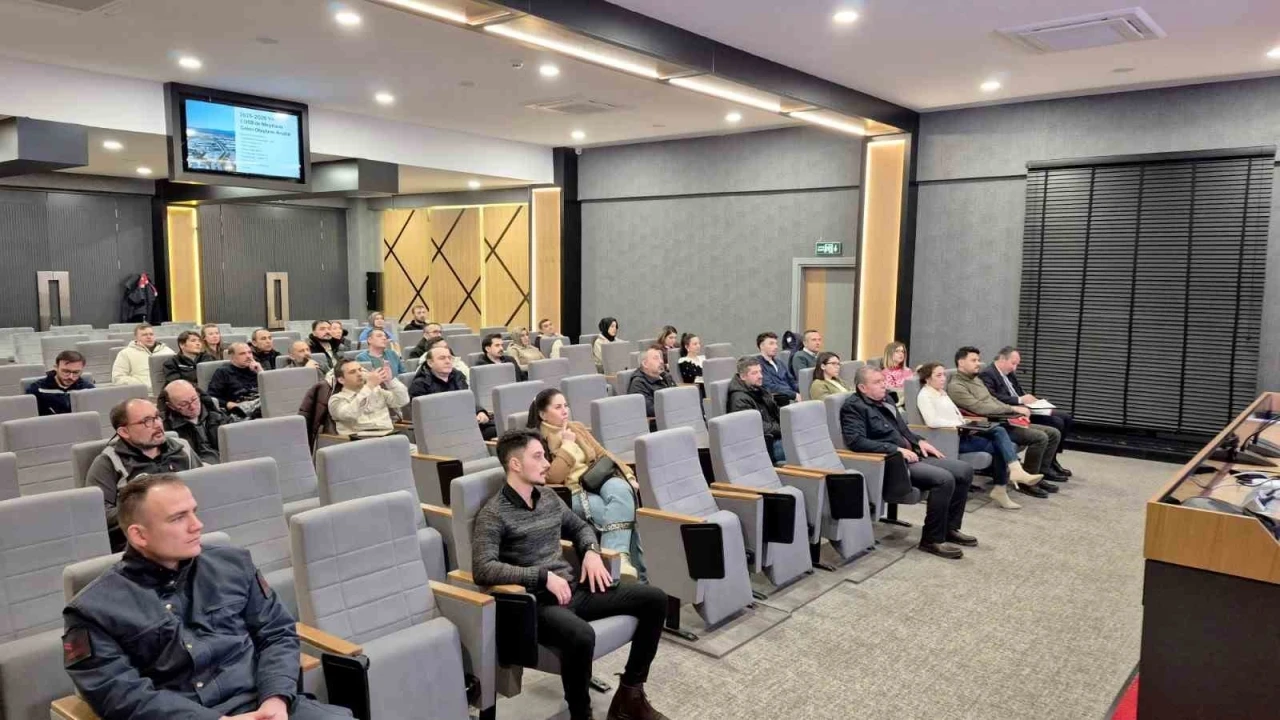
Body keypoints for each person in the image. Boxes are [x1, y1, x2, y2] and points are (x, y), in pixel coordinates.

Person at [62, 474, 352, 720]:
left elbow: (277, 633)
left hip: (264, 703)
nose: (197, 525)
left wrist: (276, 698)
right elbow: (118, 694)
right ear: (139, 536)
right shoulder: (93, 610)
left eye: (194, 512)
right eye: (178, 518)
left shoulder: (233, 565)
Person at [472, 430, 669, 720]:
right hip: (537, 603)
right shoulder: (494, 513)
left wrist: (590, 551)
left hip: (573, 590)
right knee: (581, 636)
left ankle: (630, 694)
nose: (547, 464)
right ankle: (581, 715)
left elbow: (579, 527)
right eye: (538, 457)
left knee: (655, 599)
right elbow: (483, 568)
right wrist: (541, 577)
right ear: (515, 464)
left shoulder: (549, 497)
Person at [841, 366, 976, 559]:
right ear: (862, 387)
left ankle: (950, 528)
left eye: (883, 380)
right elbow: (856, 441)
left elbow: (903, 430)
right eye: (877, 382)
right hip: (892, 462)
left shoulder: (886, 400)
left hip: (912, 453)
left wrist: (919, 441)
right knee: (944, 479)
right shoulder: (853, 407)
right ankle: (931, 539)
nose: (884, 385)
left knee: (964, 470)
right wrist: (895, 449)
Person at [528, 388, 644, 580]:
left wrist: (628, 475)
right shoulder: (536, 440)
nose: (565, 411)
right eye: (558, 407)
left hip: (596, 480)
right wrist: (567, 445)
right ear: (542, 414)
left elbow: (603, 453)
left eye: (566, 406)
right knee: (620, 512)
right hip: (572, 492)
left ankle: (615, 560)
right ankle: (626, 569)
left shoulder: (576, 427)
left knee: (623, 489)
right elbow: (553, 477)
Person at [916, 362, 1044, 509]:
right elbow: (932, 421)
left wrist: (966, 422)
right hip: (950, 438)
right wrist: (958, 424)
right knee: (1000, 442)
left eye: (943, 375)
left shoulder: (941, 393)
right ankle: (1006, 482)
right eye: (938, 375)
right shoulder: (925, 396)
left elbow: (955, 414)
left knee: (999, 433)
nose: (943, 378)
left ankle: (1008, 479)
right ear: (927, 378)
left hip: (961, 432)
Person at [84, 398, 201, 550]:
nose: (158, 424)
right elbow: (98, 514)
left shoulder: (183, 448)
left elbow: (204, 487)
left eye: (157, 417)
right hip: (142, 545)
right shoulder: (108, 462)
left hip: (194, 532)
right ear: (124, 432)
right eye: (147, 421)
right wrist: (149, 512)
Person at [948, 346, 1065, 486]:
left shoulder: (975, 380)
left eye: (978, 360)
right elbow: (980, 408)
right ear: (961, 362)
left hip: (1001, 420)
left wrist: (1015, 413)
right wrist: (1012, 408)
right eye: (974, 360)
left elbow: (993, 400)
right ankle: (1027, 483)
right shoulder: (957, 386)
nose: (978, 363)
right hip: (988, 426)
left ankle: (1041, 474)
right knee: (1040, 437)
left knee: (1053, 433)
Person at [981, 346, 1074, 478]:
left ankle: (1051, 460)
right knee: (1056, 422)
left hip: (1025, 408)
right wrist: (1020, 400)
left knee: (1066, 418)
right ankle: (1045, 466)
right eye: (1013, 363)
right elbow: (993, 397)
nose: (1015, 368)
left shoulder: (1009, 373)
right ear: (1002, 359)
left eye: (1017, 365)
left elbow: (1018, 391)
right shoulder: (988, 374)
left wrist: (1031, 400)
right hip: (1012, 411)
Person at [408, 344, 496, 440]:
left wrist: (480, 412)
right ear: (430, 363)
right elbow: (424, 417)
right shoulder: (420, 384)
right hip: (442, 431)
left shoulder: (458, 376)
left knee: (500, 428)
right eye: (442, 358)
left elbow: (467, 400)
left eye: (449, 358)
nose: (447, 361)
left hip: (466, 423)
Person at [328, 359, 410, 437]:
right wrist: (369, 386)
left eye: (360, 370)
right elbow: (351, 414)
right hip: (362, 441)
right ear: (341, 380)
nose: (359, 374)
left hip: (389, 436)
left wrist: (390, 381)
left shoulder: (375, 390)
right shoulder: (337, 399)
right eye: (352, 372)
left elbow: (402, 401)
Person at [726, 356, 785, 465]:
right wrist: (784, 429)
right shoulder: (739, 399)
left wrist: (790, 423)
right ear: (743, 376)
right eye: (754, 373)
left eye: (760, 372)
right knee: (802, 447)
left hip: (776, 437)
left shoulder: (759, 390)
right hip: (764, 446)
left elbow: (777, 412)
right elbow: (754, 427)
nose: (760, 376)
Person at [158, 379, 230, 466]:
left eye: (194, 399)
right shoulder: (166, 428)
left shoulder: (216, 415)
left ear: (198, 394)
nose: (192, 406)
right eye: (184, 404)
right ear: (171, 406)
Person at [27, 349, 94, 415]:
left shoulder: (88, 389)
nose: (70, 377)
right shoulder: (36, 389)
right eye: (66, 371)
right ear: (56, 368)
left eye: (76, 372)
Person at [207, 342, 262, 417]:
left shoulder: (256, 369)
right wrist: (230, 404)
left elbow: (272, 392)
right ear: (232, 357)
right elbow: (211, 397)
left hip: (261, 403)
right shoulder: (223, 372)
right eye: (242, 354)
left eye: (250, 352)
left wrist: (261, 372)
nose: (248, 356)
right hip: (240, 410)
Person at [627, 346, 675, 419]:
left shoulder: (666, 376)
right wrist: (675, 406)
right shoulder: (638, 384)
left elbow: (678, 396)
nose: (661, 361)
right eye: (656, 358)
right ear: (645, 364)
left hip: (674, 414)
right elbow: (650, 410)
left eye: (660, 358)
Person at [756, 331, 800, 405]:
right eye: (771, 343)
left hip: (791, 397)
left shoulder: (780, 363)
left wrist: (803, 391)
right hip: (777, 400)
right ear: (761, 346)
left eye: (776, 343)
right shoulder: (757, 365)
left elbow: (792, 381)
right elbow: (769, 387)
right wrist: (794, 395)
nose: (776, 347)